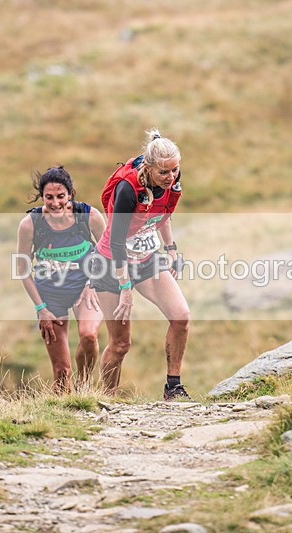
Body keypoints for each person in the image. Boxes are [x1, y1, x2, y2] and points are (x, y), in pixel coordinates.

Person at [91, 128, 191, 400]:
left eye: (175, 170)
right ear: (148, 168)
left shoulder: (172, 179)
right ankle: (106, 400)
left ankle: (173, 387)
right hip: (112, 264)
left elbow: (165, 212)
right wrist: (125, 287)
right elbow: (115, 242)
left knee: (181, 317)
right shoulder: (127, 190)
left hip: (146, 260)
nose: (171, 177)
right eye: (164, 172)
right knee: (121, 344)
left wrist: (170, 250)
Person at [15, 166, 107, 393]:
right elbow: (23, 269)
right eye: (49, 197)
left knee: (88, 335)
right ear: (42, 196)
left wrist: (92, 284)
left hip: (85, 288)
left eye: (61, 196)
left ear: (70, 194)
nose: (55, 203)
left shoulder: (89, 216)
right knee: (62, 370)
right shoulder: (30, 224)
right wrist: (41, 308)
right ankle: (63, 412)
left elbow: (107, 253)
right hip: (50, 296)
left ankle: (84, 388)